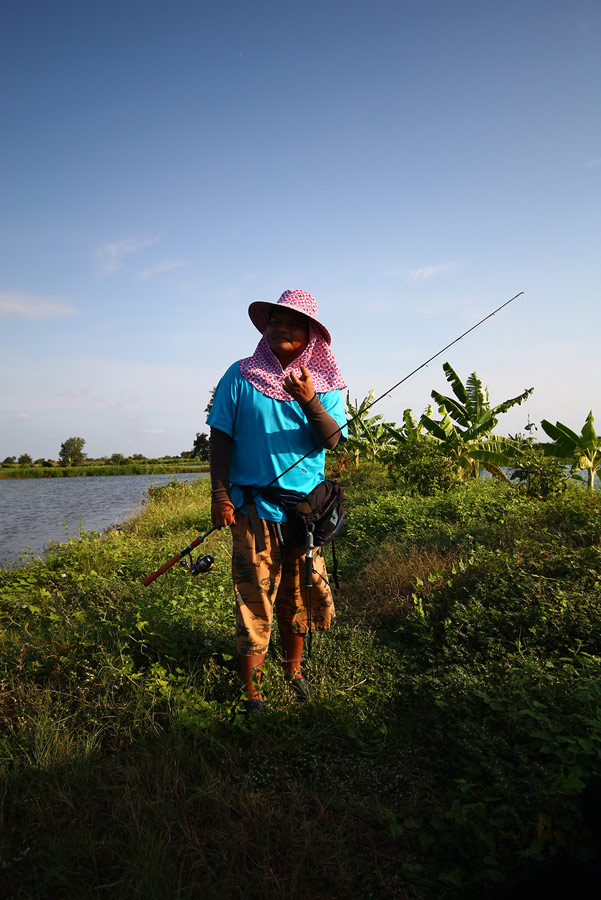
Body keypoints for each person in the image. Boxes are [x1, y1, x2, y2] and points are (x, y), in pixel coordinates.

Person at [207, 289, 347, 713]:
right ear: (264, 328)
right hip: (253, 510)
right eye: (274, 320)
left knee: (299, 596)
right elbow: (220, 438)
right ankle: (253, 691)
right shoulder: (240, 376)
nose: (281, 327)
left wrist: (308, 400)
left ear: (310, 335)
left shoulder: (325, 385)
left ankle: (294, 671)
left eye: (293, 322)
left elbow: (332, 439)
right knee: (253, 597)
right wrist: (220, 495)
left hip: (307, 514)